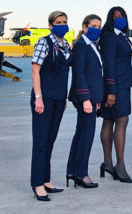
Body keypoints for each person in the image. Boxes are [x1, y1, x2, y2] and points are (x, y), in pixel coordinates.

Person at [30, 11, 72, 201]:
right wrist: (38, 98)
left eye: (64, 22)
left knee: (50, 140)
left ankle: (45, 179)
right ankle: (37, 184)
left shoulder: (65, 46)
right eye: (58, 22)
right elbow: (35, 71)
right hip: (44, 99)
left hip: (58, 99)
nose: (62, 25)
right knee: (40, 142)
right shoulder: (43, 43)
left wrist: (63, 99)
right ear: (50, 25)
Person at [99, 6, 132, 183]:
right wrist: (111, 91)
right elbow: (109, 65)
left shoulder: (122, 36)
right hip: (116, 86)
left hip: (124, 84)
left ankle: (108, 163)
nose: (120, 19)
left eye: (122, 16)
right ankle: (119, 166)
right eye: (116, 17)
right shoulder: (109, 37)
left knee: (110, 120)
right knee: (120, 121)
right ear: (110, 19)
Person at [66, 14, 103, 188]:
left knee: (81, 133)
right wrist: (86, 99)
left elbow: (96, 74)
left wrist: (95, 98)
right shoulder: (81, 46)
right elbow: (79, 74)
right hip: (84, 98)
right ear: (85, 27)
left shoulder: (93, 45)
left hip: (90, 97)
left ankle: (72, 171)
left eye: (99, 26)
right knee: (86, 135)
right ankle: (81, 173)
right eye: (94, 25)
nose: (97, 28)